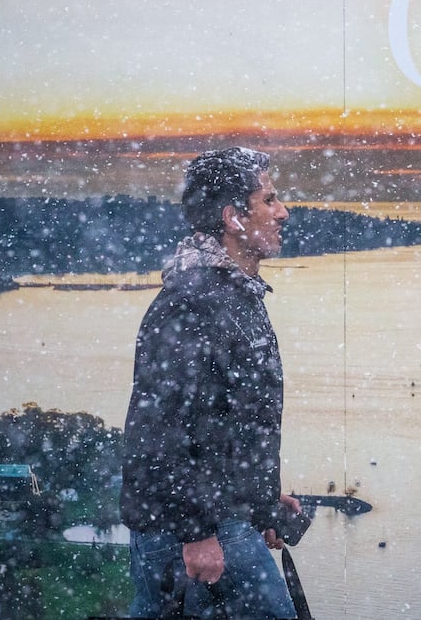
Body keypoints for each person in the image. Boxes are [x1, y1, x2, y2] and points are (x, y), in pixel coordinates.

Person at [121, 147, 300, 619]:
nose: (283, 211)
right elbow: (160, 432)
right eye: (270, 200)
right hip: (196, 531)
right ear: (233, 217)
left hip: (221, 518)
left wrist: (258, 496)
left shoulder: (233, 294)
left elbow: (227, 418)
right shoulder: (193, 304)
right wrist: (196, 534)